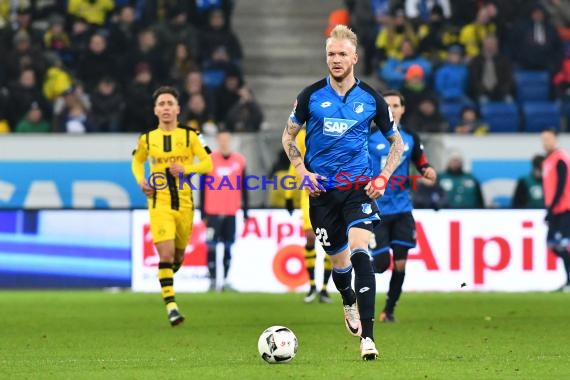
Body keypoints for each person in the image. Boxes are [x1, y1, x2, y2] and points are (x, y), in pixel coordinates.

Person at [282, 25, 404, 360]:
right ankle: (348, 299)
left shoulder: (372, 99)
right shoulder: (310, 97)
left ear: (354, 57)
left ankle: (368, 336)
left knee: (360, 251)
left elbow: (398, 143)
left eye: (341, 54)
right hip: (322, 194)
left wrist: (382, 177)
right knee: (339, 265)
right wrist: (302, 172)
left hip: (358, 189)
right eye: (331, 54)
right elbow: (288, 138)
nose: (336, 60)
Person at [131, 86, 213, 326]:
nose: (165, 107)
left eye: (169, 103)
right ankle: (172, 307)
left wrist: (187, 169)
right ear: (155, 110)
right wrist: (141, 181)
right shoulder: (147, 139)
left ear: (178, 109)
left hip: (186, 204)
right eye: (161, 104)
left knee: (177, 257)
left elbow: (208, 163)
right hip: (159, 203)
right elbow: (136, 163)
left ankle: (166, 277)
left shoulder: (191, 135)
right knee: (165, 254)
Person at [368, 90, 437, 323]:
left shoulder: (410, 138)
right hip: (376, 209)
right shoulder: (368, 138)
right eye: (387, 105)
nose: (392, 109)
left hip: (402, 209)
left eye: (396, 105)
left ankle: (389, 310)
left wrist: (428, 171)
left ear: (402, 109)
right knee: (380, 264)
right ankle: (360, 274)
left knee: (400, 263)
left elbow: (422, 163)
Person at [284, 128, 333, 304]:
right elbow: (294, 164)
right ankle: (312, 286)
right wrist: (289, 197)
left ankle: (325, 288)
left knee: (332, 241)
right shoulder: (303, 135)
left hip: (332, 191)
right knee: (310, 237)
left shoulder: (333, 129)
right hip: (309, 192)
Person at [200, 130, 248, 291]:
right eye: (221, 140)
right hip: (212, 211)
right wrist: (202, 213)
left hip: (231, 212)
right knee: (211, 246)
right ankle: (213, 281)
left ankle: (226, 280)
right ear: (217, 141)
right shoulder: (209, 160)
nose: (224, 143)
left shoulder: (239, 160)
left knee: (228, 246)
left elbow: (244, 187)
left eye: (227, 140)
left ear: (231, 141)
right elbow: (201, 187)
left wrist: (245, 211)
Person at [540, 129, 570, 292]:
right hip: (555, 209)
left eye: (548, 139)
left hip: (565, 208)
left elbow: (562, 185)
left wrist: (551, 209)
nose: (545, 143)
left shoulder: (561, 159)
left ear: (556, 139)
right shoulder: (548, 161)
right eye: (543, 139)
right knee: (552, 245)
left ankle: (568, 282)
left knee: (563, 245)